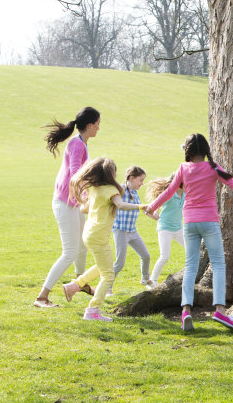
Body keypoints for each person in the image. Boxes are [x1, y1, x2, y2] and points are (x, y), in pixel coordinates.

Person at [143, 133, 233, 331]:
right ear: (206, 151)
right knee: (219, 264)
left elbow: (169, 191)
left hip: (189, 223)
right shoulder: (213, 168)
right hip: (209, 222)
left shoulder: (183, 168)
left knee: (191, 266)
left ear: (187, 151)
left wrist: (152, 207)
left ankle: (186, 311)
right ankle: (220, 311)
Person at [62, 157, 143, 321]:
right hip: (98, 236)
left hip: (89, 234)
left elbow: (84, 208)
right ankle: (92, 311)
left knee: (103, 266)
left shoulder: (95, 189)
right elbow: (121, 205)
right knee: (108, 275)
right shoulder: (111, 190)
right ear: (111, 173)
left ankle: (75, 285)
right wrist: (141, 206)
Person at [34, 107, 100, 308]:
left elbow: (80, 177)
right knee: (70, 251)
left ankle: (81, 283)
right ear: (89, 125)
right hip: (65, 204)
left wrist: (86, 197)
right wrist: (87, 197)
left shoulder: (82, 143)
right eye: (97, 123)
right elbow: (75, 175)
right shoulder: (77, 144)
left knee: (82, 245)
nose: (99, 127)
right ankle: (41, 297)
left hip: (73, 204)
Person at [110, 165, 152, 294]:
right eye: (140, 180)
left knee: (146, 256)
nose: (142, 183)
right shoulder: (121, 190)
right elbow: (122, 206)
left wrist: (153, 214)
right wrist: (139, 206)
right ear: (132, 178)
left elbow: (140, 208)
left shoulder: (134, 192)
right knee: (120, 263)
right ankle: (107, 287)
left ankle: (145, 279)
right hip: (121, 230)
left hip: (132, 231)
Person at [145, 174, 186, 289]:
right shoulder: (169, 194)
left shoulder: (184, 194)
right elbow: (154, 208)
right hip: (165, 229)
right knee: (164, 256)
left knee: (192, 251)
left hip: (178, 228)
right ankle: (152, 281)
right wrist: (154, 215)